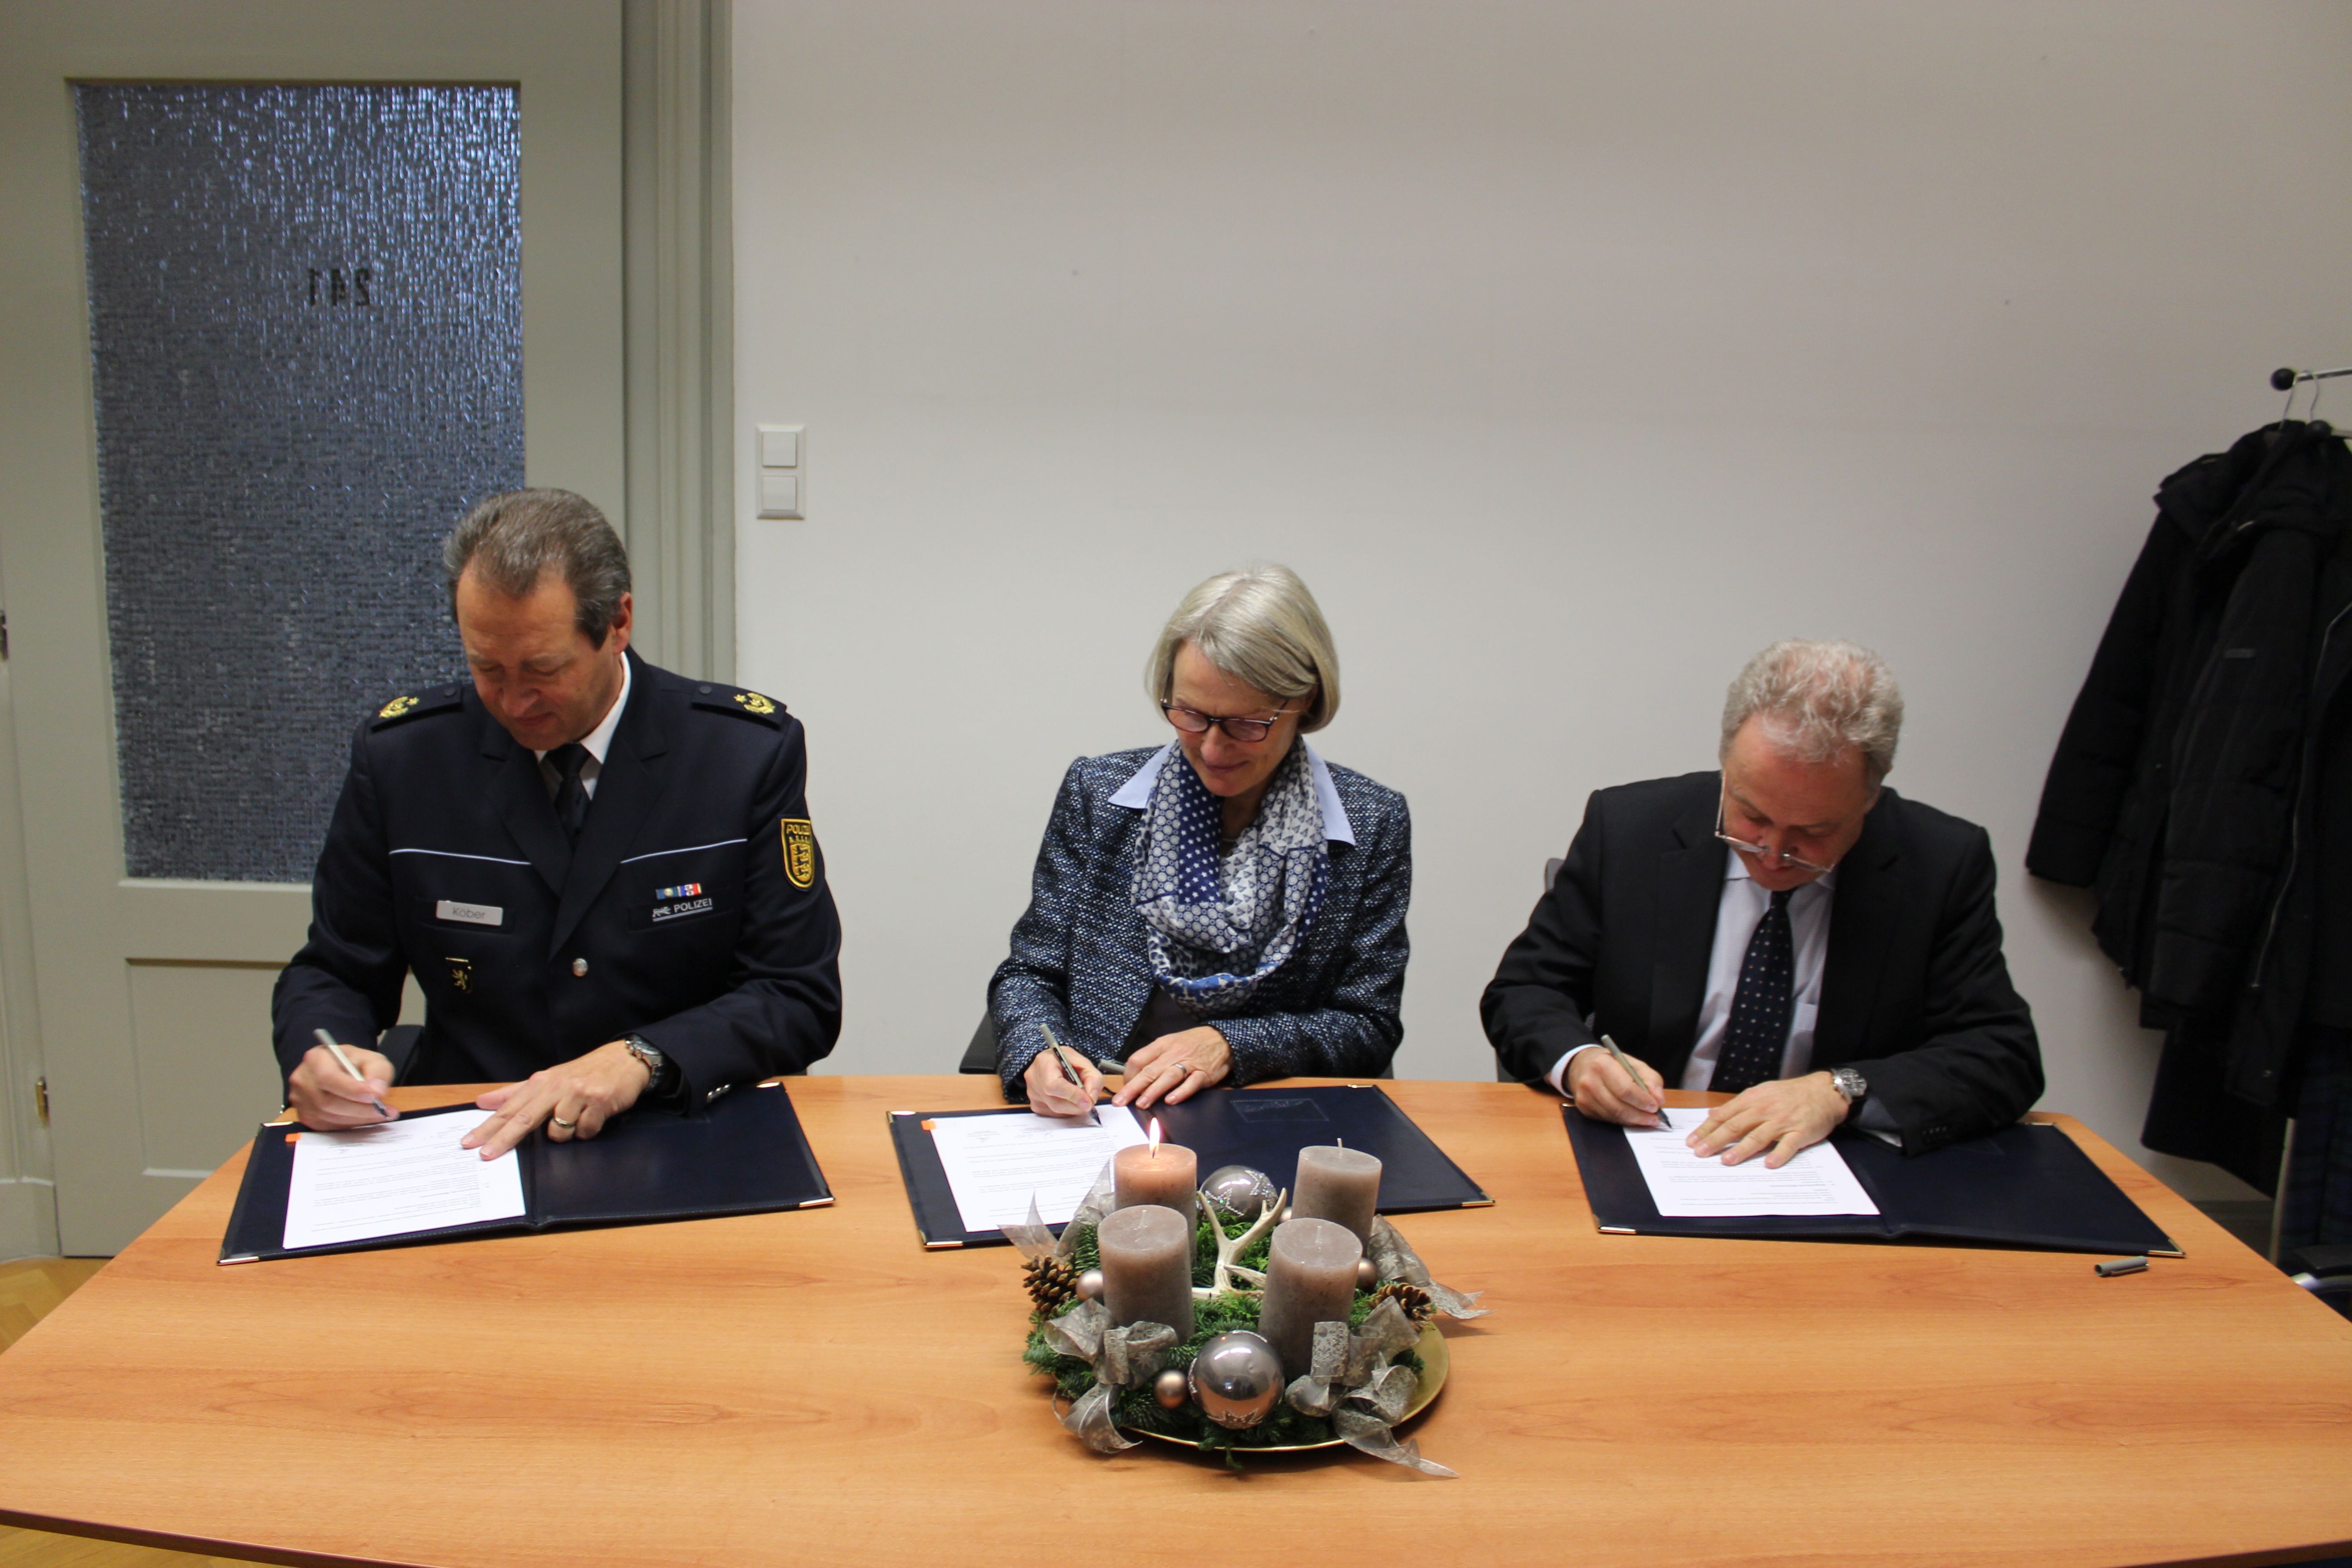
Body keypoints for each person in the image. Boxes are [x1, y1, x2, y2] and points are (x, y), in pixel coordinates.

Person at [271, 488, 843, 1157]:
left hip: (684, 1129)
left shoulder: (739, 756)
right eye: (487, 668)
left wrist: (643, 1057)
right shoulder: (405, 760)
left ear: (618, 623)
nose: (514, 701)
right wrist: (328, 1055)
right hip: (476, 1136)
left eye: (544, 669)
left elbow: (797, 994)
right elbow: (336, 971)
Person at [1482, 639, 2041, 1166]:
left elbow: (2002, 1055)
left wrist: (1841, 1090)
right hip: (1649, 1150)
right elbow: (1525, 990)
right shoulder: (1632, 829)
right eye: (1752, 816)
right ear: (1727, 765)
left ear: (1871, 795)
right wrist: (1580, 1062)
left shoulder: (1939, 863)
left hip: (1831, 1167)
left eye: (1813, 832)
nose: (1774, 854)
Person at [991, 565, 1410, 1115]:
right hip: (1100, 1110)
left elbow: (1368, 1024)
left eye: (1246, 725)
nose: (1212, 749)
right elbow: (1029, 973)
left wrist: (1230, 1045)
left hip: (1260, 1115)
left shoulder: (1370, 823)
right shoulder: (1098, 794)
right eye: (1190, 715)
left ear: (1305, 702)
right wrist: (1039, 1052)